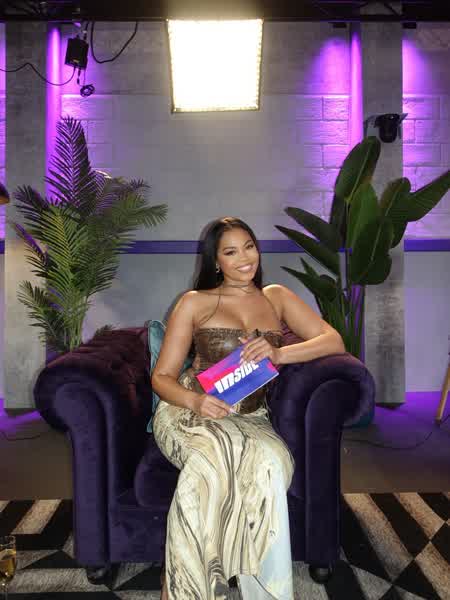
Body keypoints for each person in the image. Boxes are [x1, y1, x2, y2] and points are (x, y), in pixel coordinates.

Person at [151, 217, 345, 600]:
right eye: (231, 251)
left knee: (271, 464)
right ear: (216, 260)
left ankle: (266, 591)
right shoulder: (194, 302)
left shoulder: (276, 297)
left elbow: (333, 340)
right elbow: (162, 378)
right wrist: (196, 401)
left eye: (249, 246)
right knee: (209, 464)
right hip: (191, 410)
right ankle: (189, 589)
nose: (244, 258)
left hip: (250, 418)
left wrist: (280, 353)